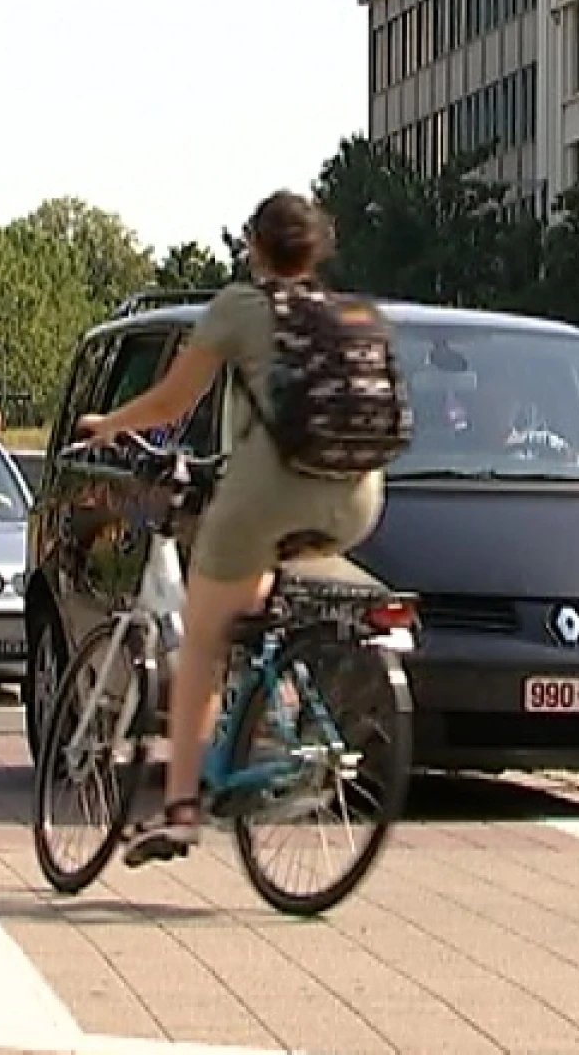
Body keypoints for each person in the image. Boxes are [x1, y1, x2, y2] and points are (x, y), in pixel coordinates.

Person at [76, 190, 386, 863]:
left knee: (202, 652)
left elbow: (172, 398)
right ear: (315, 251)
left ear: (254, 246)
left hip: (269, 498)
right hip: (358, 501)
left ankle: (182, 810)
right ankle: (277, 714)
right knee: (255, 609)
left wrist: (110, 424)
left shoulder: (241, 307)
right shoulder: (349, 313)